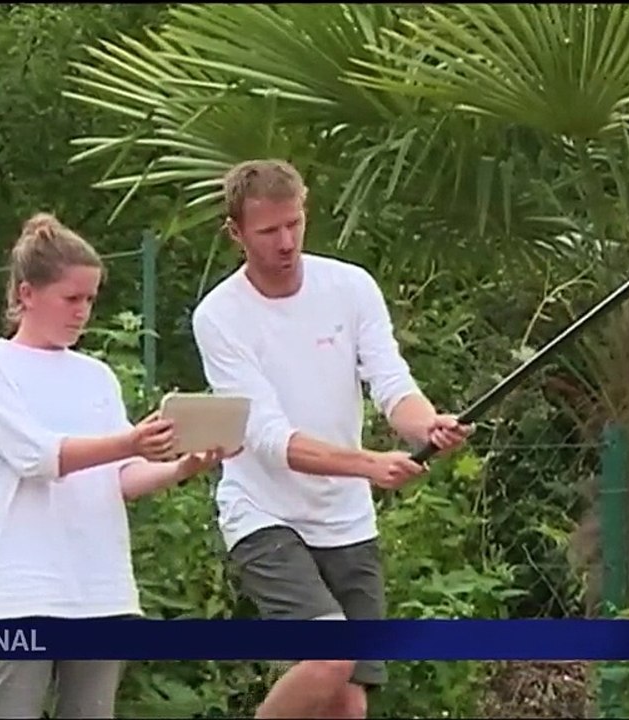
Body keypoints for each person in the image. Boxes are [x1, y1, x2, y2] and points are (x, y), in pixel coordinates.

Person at [190, 159, 473, 719]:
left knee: (348, 703)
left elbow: (392, 385)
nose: (286, 241)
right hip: (263, 512)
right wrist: (368, 464)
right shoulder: (218, 316)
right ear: (236, 233)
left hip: (346, 519)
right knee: (329, 657)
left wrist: (428, 425)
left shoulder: (351, 286)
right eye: (269, 230)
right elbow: (267, 437)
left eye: (294, 223)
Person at [0, 212, 231, 719]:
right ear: (25, 295)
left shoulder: (96, 376)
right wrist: (131, 440)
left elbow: (119, 478)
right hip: (22, 594)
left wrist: (181, 466)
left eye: (89, 299)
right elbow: (38, 456)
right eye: (71, 298)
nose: (82, 312)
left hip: (100, 590)